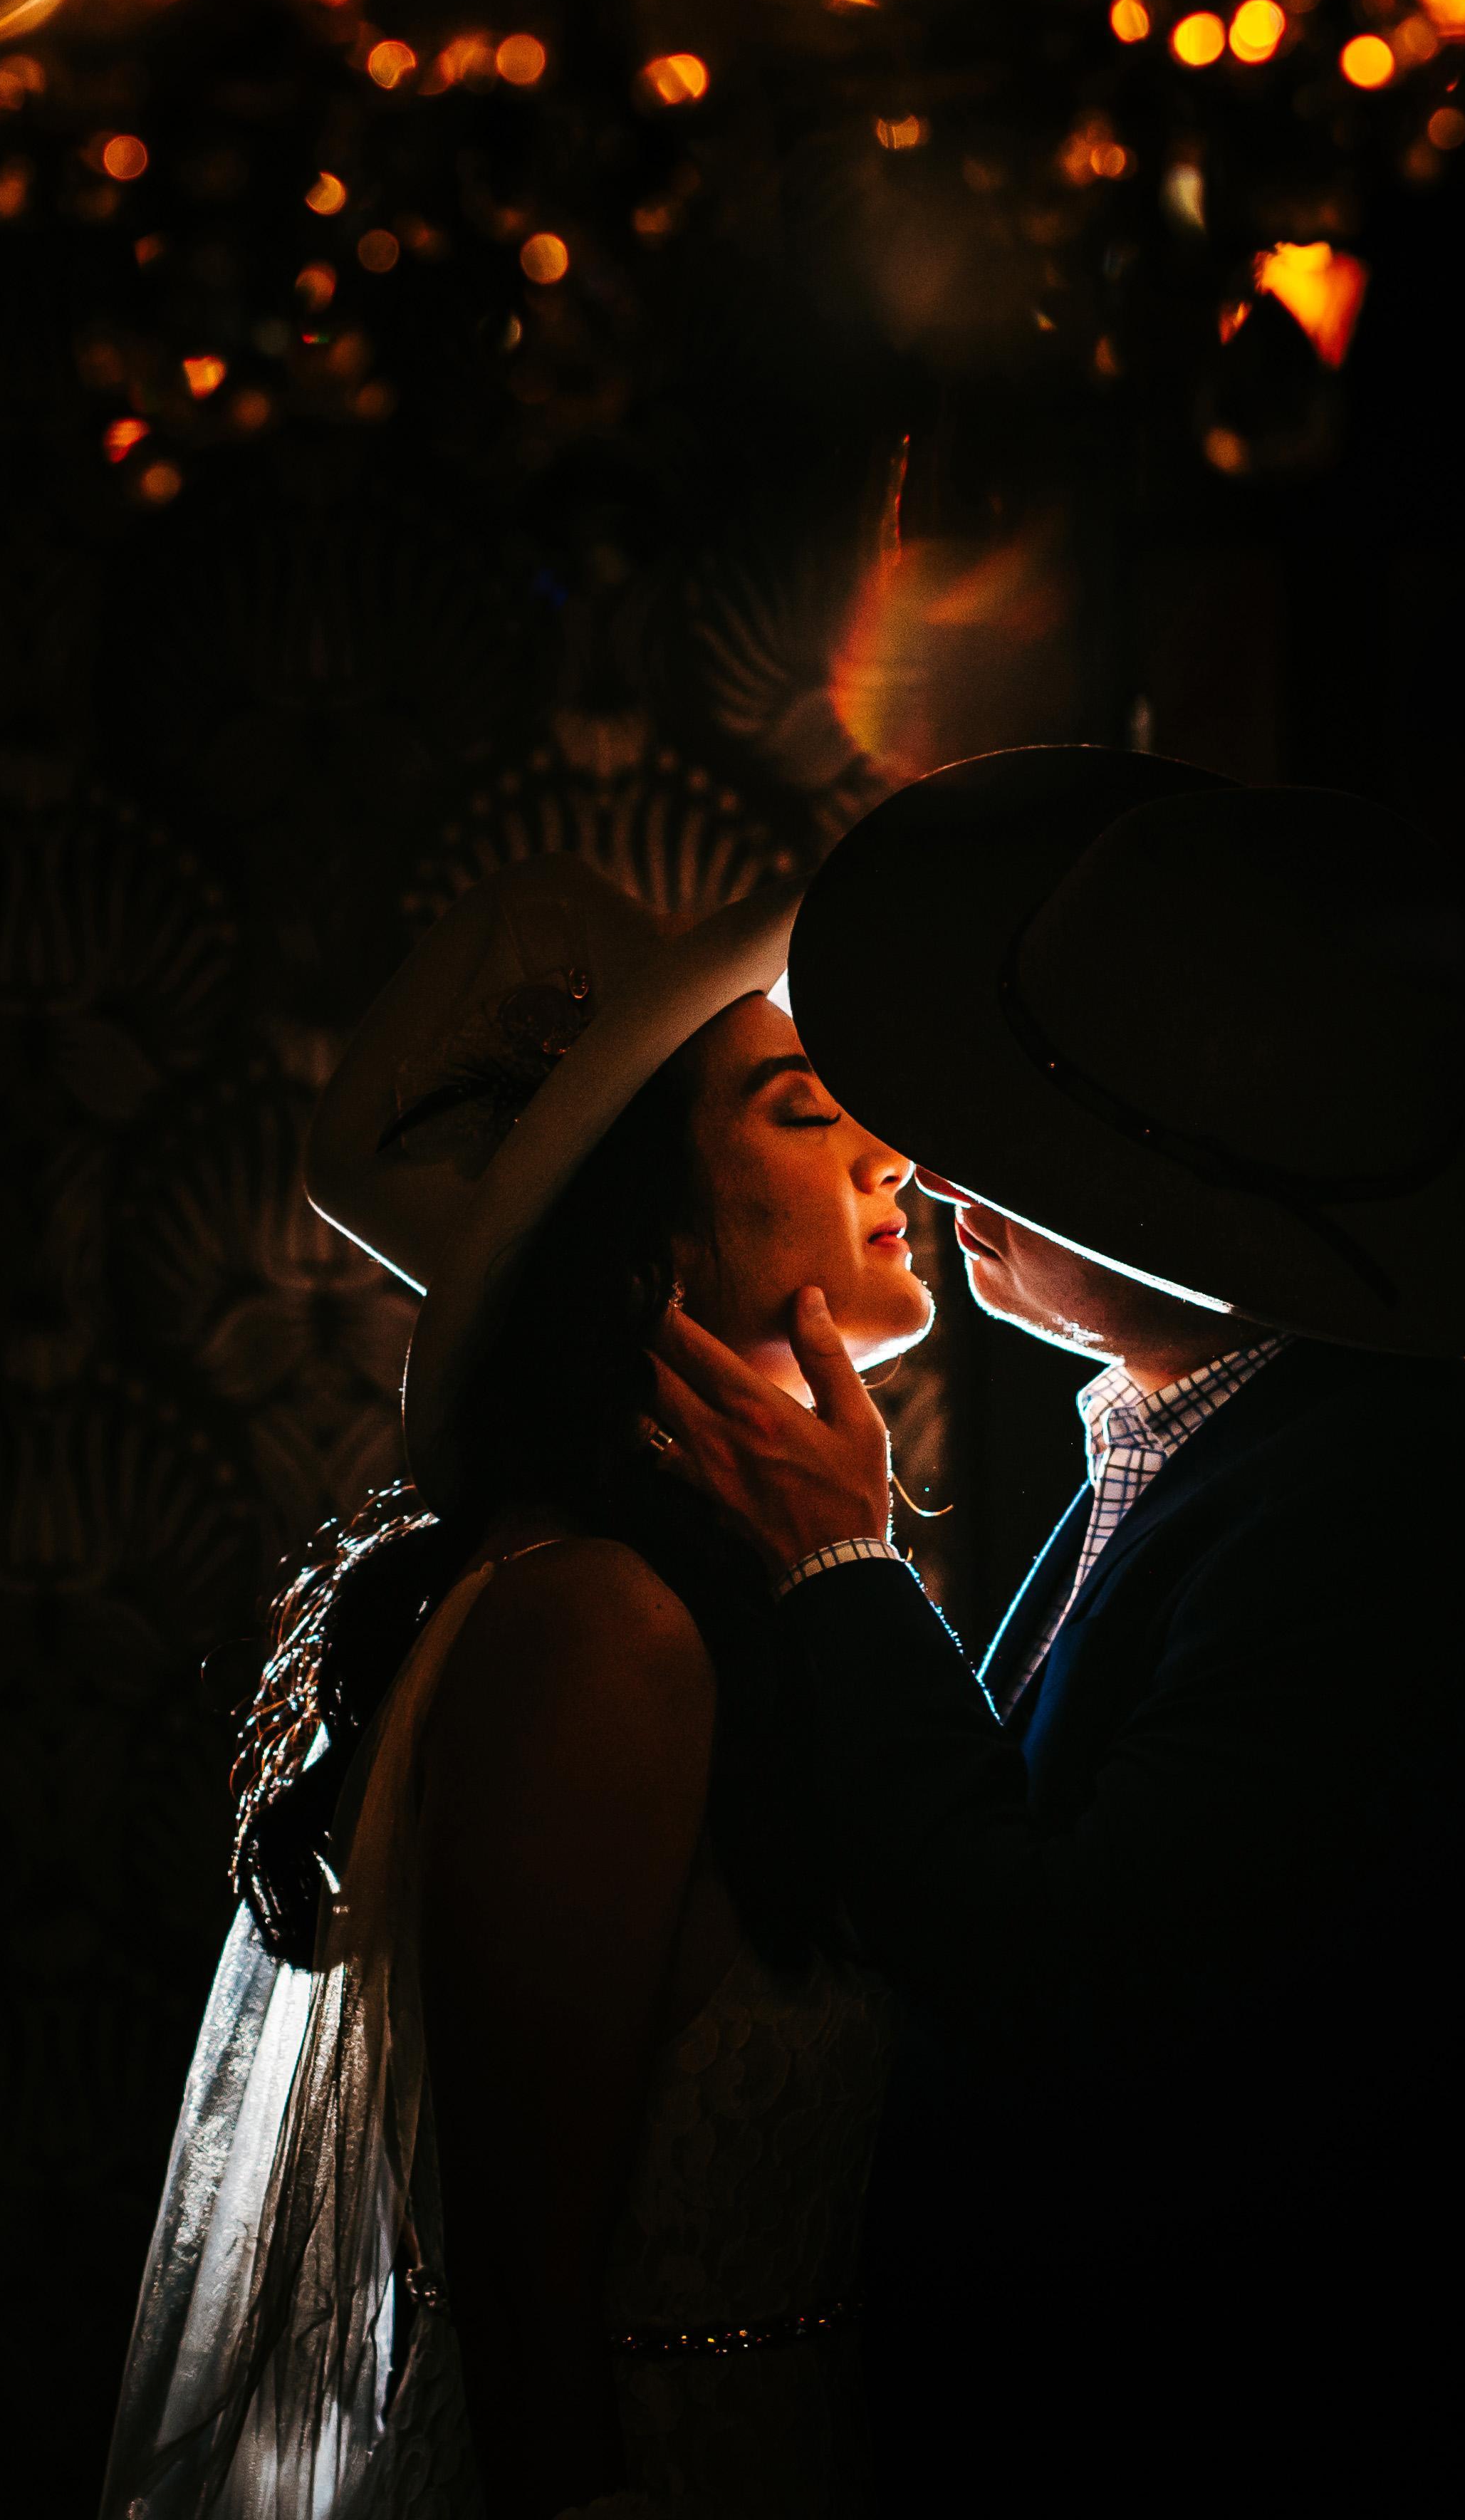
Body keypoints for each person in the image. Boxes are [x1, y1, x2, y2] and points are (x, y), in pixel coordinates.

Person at [636, 747, 1465, 2513]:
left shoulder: (1381, 1506)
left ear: (1214, 1203)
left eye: (1042, 1142)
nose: (941, 1168)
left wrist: (840, 1563)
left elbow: (1071, 1995)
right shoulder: (1208, 1449)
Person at [105, 858, 941, 2520]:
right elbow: (516, 2283)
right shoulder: (600, 1631)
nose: (891, 1152)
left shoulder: (724, 1602)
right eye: (801, 1111)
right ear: (643, 1248)